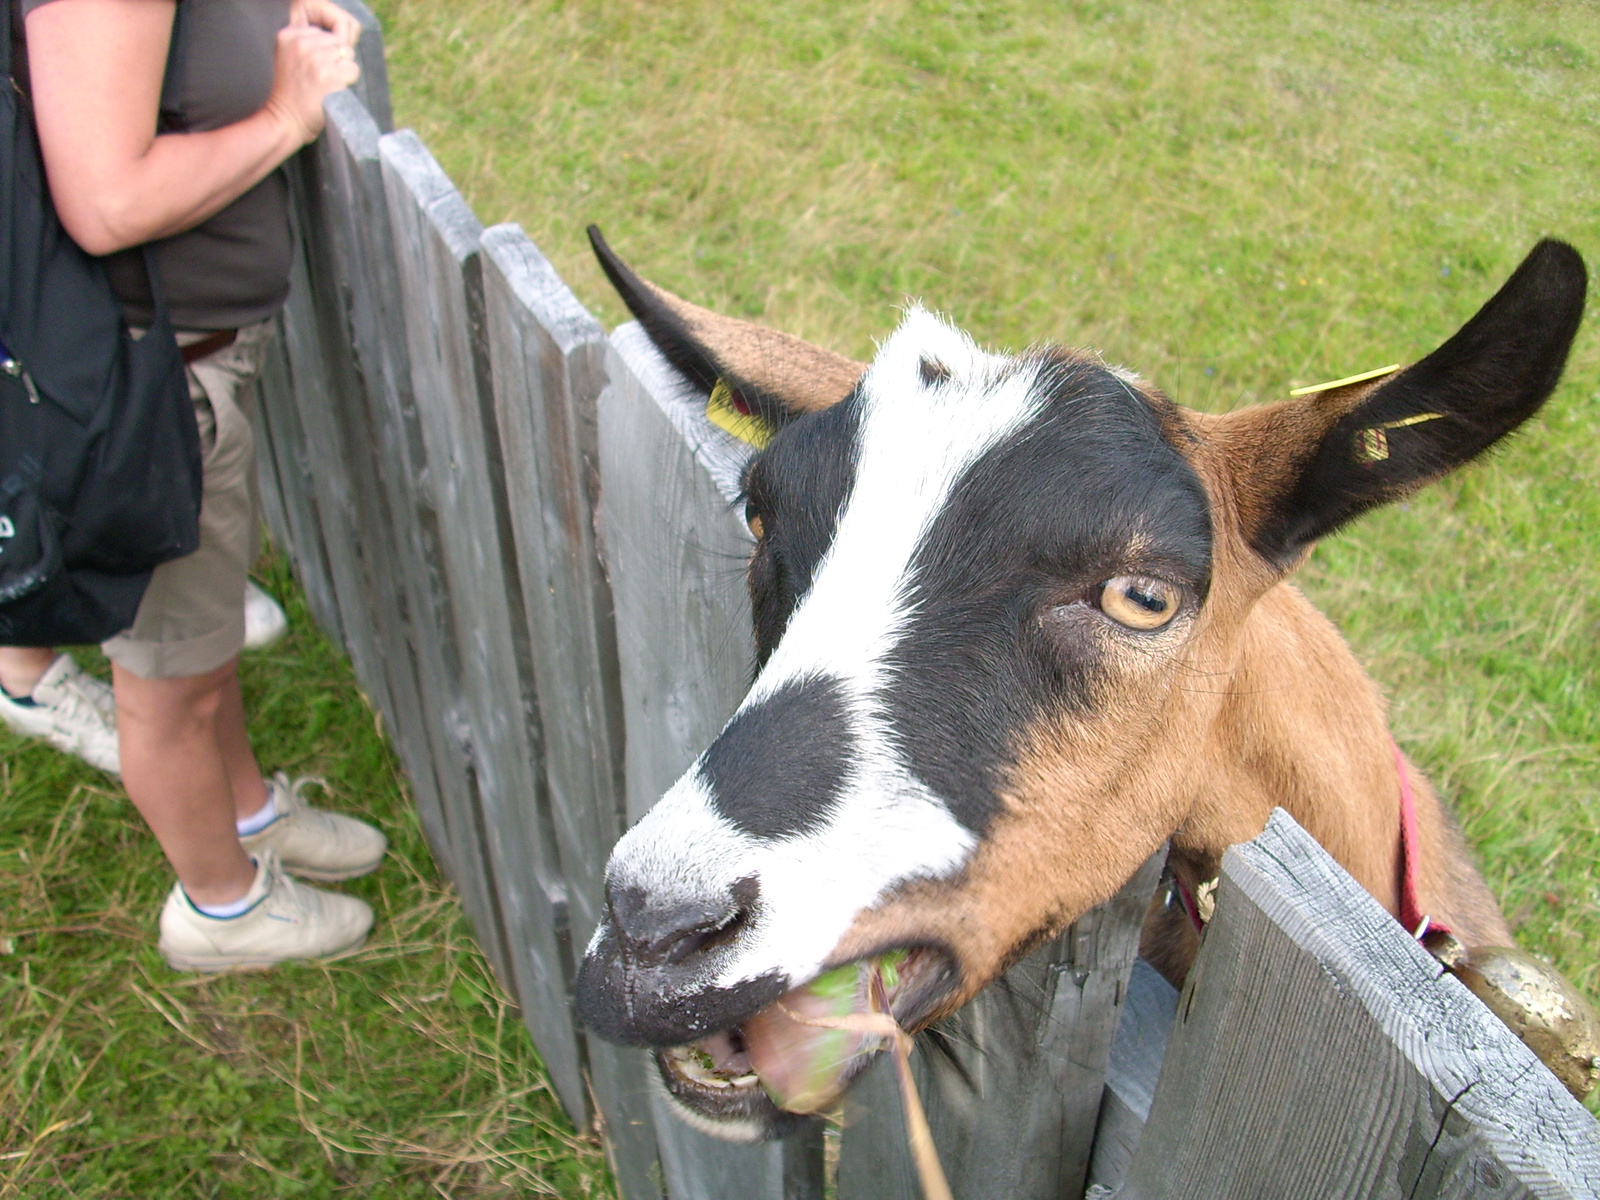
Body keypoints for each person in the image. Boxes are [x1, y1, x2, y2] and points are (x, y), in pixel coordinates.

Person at [4, 0, 386, 970]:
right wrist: (283, 120)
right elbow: (105, 203)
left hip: (188, 367)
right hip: (153, 389)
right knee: (165, 686)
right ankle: (222, 909)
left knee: (200, 651)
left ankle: (248, 813)